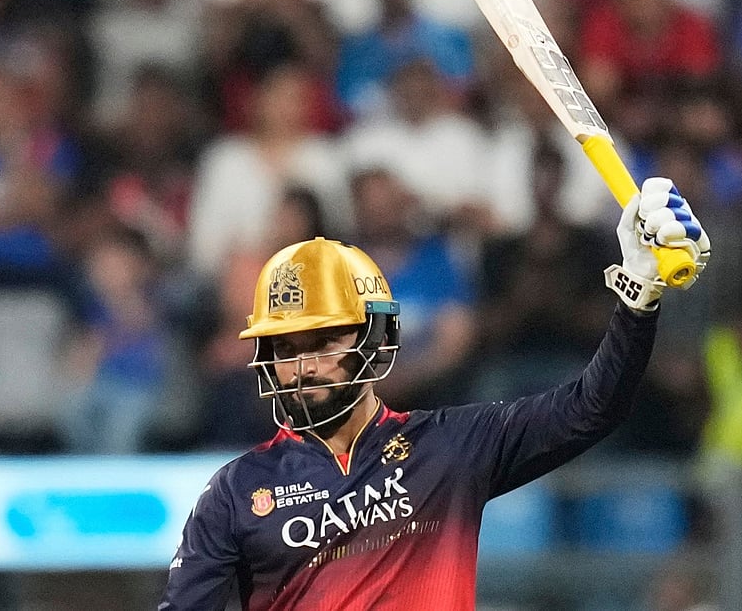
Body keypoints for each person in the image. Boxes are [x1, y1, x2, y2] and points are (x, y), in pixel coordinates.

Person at [159, 178, 711, 610]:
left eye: (324, 340)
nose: (303, 365)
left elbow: (594, 405)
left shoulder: (450, 449)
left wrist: (638, 301)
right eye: (285, 348)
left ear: (374, 339)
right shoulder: (233, 494)